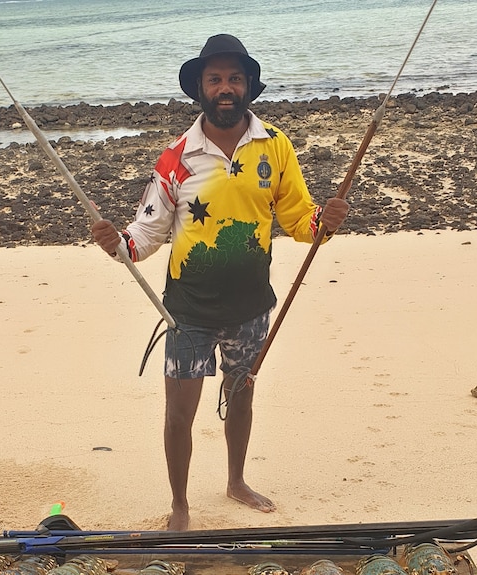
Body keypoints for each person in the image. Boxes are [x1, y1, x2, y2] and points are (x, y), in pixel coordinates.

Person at [91, 34, 349, 531]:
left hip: (251, 305)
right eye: (216, 79)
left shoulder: (276, 145)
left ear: (248, 86)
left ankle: (235, 481)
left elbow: (301, 223)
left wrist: (327, 220)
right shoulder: (176, 158)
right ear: (201, 89)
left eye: (234, 78)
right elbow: (144, 235)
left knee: (242, 397)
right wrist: (117, 242)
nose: (225, 87)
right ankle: (181, 506)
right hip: (187, 309)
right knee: (178, 414)